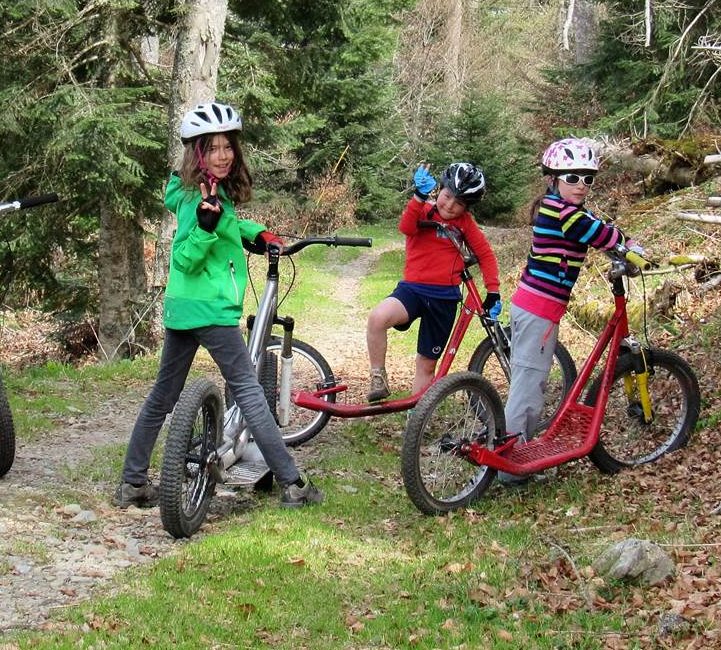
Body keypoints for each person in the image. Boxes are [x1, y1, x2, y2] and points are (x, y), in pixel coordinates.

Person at [114, 101, 323, 510]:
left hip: (183, 308)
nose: (223, 155)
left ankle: (132, 483)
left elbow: (225, 222)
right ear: (197, 153)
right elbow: (186, 257)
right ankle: (292, 483)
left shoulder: (206, 191)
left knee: (162, 396)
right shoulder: (198, 200)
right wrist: (206, 230)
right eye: (212, 148)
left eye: (228, 146)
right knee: (248, 392)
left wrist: (255, 232)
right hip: (210, 309)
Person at [503, 138, 634, 480]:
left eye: (587, 179)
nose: (580, 186)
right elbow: (600, 233)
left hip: (534, 307)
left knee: (527, 379)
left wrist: (619, 242)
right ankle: (511, 466)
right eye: (572, 178)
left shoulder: (562, 208)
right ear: (554, 179)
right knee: (529, 387)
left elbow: (596, 228)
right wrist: (629, 247)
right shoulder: (563, 213)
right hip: (540, 310)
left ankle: (511, 451)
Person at [365, 162, 501, 402]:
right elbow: (406, 227)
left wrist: (493, 291)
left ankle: (417, 418)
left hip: (444, 298)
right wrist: (418, 196)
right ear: (439, 190)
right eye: (447, 196)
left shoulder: (465, 224)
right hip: (413, 291)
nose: (449, 205)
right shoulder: (423, 210)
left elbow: (486, 255)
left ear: (467, 207)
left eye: (459, 203)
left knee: (426, 365)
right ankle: (378, 376)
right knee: (377, 318)